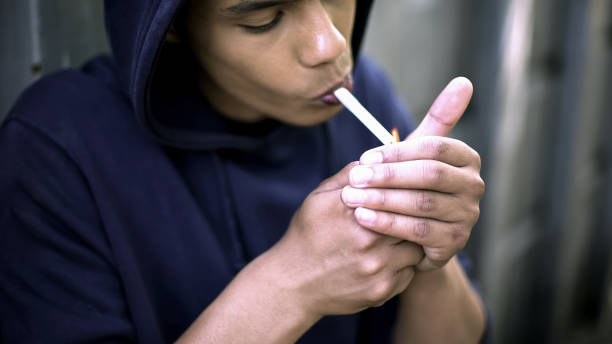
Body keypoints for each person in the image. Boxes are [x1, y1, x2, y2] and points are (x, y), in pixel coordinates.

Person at [0, 0, 488, 342]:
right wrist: (291, 286)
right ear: (172, 23)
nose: (330, 43)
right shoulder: (58, 148)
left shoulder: (366, 103)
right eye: (265, 17)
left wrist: (427, 240)